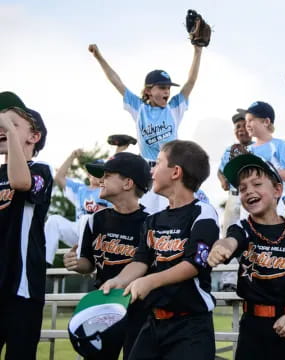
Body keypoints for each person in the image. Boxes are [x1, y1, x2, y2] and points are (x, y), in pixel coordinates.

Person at [101, 140, 219, 360]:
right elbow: (140, 261)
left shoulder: (203, 212)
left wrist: (150, 281)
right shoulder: (153, 220)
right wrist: (120, 280)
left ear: (175, 172)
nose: (152, 171)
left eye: (158, 164)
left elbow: (195, 264)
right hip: (154, 323)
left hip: (191, 326)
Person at [208, 153, 285, 360]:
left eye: (257, 184)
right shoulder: (243, 228)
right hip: (252, 326)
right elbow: (231, 240)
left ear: (277, 190)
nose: (249, 191)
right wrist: (221, 247)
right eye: (242, 188)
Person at [88, 41, 203, 214]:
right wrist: (98, 56)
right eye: (162, 88)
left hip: (169, 169)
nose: (167, 92)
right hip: (146, 171)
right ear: (149, 90)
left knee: (171, 215)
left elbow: (191, 82)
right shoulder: (140, 108)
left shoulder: (174, 108)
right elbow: (116, 81)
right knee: (145, 217)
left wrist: (198, 51)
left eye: (168, 88)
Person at [63, 152, 151, 359]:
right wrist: (76, 263)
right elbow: (89, 264)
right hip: (103, 305)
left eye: (107, 175)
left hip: (139, 307)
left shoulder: (150, 222)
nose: (100, 180)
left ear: (128, 183)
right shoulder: (95, 220)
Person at [0, 92, 51, 360]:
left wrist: (7, 128)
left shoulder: (40, 170)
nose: (4, 128)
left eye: (14, 124)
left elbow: (21, 183)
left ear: (34, 137)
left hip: (22, 288)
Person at [44, 150, 109, 264]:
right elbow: (59, 177)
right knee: (53, 220)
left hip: (97, 234)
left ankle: (82, 260)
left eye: (102, 172)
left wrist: (98, 208)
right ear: (89, 174)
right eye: (96, 171)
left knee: (86, 219)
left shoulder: (107, 191)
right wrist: (72, 156)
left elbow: (113, 211)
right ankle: (44, 261)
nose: (99, 175)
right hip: (78, 231)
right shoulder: (80, 189)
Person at [216, 109, 253, 291]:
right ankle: (228, 280)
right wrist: (223, 179)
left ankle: (251, 276)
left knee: (250, 237)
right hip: (234, 196)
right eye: (237, 127)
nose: (241, 129)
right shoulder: (230, 150)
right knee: (229, 235)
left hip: (252, 199)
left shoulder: (258, 147)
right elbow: (220, 170)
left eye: (244, 125)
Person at [240, 101, 285, 216]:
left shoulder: (279, 145)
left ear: (266, 122)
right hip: (248, 205)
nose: (246, 124)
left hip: (274, 204)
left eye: (251, 120)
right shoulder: (246, 150)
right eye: (246, 121)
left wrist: (265, 171)